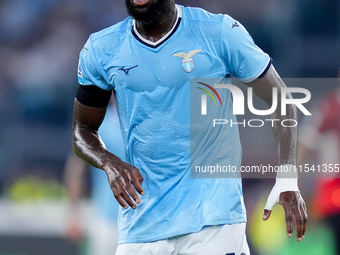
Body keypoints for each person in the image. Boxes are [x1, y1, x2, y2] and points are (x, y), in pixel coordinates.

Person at [72, 0, 307, 254]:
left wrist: (287, 177)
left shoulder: (219, 32)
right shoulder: (101, 49)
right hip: (141, 225)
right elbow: (82, 131)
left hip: (214, 221)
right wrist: (108, 162)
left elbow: (281, 101)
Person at [65, 103, 124, 255]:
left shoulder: (147, 122)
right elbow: (77, 168)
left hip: (143, 219)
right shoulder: (98, 123)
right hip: (106, 219)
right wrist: (74, 213)